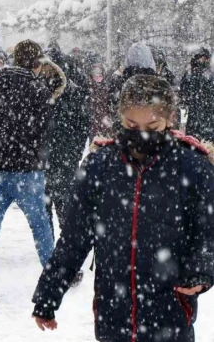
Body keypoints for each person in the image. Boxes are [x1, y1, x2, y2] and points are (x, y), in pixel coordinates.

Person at [32, 75, 214, 342]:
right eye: (131, 124)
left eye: (152, 126)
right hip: (113, 311)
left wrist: (202, 269)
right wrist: (48, 294)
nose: (141, 133)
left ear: (170, 119)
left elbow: (207, 232)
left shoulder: (193, 167)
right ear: (119, 117)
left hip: (170, 310)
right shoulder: (99, 166)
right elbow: (74, 238)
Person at [0, 40, 65, 301]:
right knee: (40, 224)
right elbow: (45, 129)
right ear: (36, 63)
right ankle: (53, 277)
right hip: (27, 169)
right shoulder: (38, 89)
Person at [40, 56, 91, 287]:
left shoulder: (74, 94)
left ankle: (64, 253)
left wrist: (73, 153)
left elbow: (82, 125)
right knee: (43, 209)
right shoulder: (38, 93)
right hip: (42, 160)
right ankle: (50, 252)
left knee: (64, 208)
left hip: (64, 160)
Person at [180, 48, 214, 142]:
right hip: (198, 118)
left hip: (205, 118)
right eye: (202, 57)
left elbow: (184, 95)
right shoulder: (190, 75)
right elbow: (184, 95)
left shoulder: (207, 75)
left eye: (205, 58)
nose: (203, 60)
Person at [84, 53, 112, 138]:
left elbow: (108, 103)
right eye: (95, 71)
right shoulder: (88, 86)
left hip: (104, 122)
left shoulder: (107, 85)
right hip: (93, 122)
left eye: (99, 71)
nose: (97, 73)